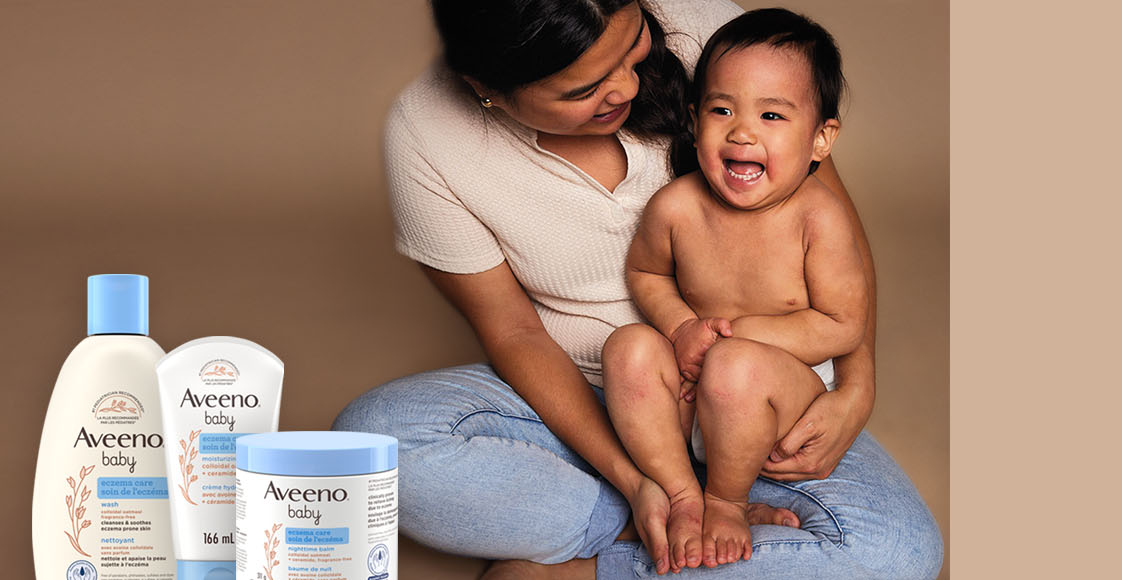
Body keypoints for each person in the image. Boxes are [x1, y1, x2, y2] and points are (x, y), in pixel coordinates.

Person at [329, 0, 943, 578]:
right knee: (371, 447)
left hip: (767, 407)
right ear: (487, 89)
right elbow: (515, 333)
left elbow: (833, 250)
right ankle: (657, 517)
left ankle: (592, 565)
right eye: (584, 88)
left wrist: (856, 390)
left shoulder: (735, 44)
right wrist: (639, 481)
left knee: (898, 552)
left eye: (633, 49)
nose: (625, 87)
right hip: (595, 398)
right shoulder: (428, 136)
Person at [604, 8, 863, 570]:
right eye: (722, 109)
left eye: (772, 115)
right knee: (627, 348)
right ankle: (681, 495)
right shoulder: (676, 207)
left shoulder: (819, 217)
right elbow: (647, 274)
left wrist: (736, 338)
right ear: (695, 121)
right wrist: (678, 327)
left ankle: (728, 501)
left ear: (821, 139)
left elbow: (842, 324)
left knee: (737, 368)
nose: (742, 130)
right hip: (691, 398)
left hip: (776, 402)